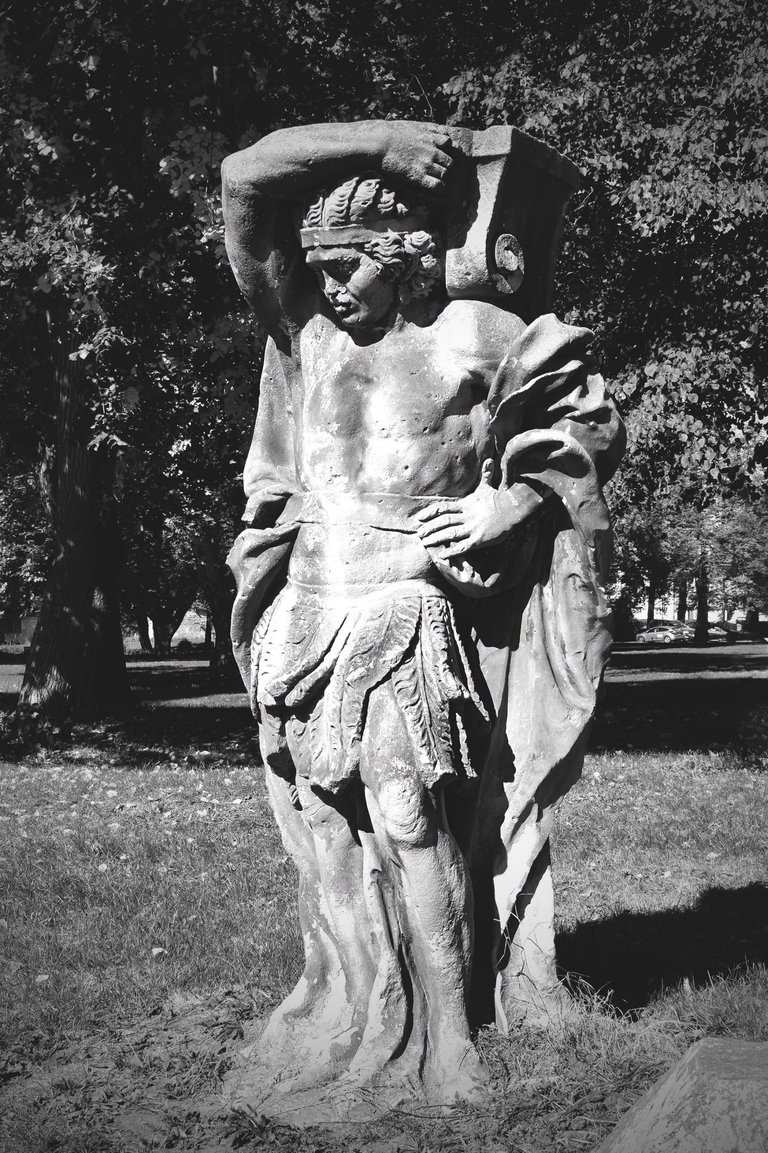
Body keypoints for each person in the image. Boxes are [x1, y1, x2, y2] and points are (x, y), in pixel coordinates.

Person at [221, 121, 624, 1122]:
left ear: (405, 265)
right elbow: (241, 180)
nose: (331, 288)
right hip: (299, 622)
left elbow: (589, 419)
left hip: (401, 612)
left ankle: (450, 1038)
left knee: (409, 825)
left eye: (350, 267)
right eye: (318, 269)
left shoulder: (471, 341)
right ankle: (363, 1008)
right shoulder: (303, 340)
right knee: (330, 849)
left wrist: (511, 503)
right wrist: (387, 143)